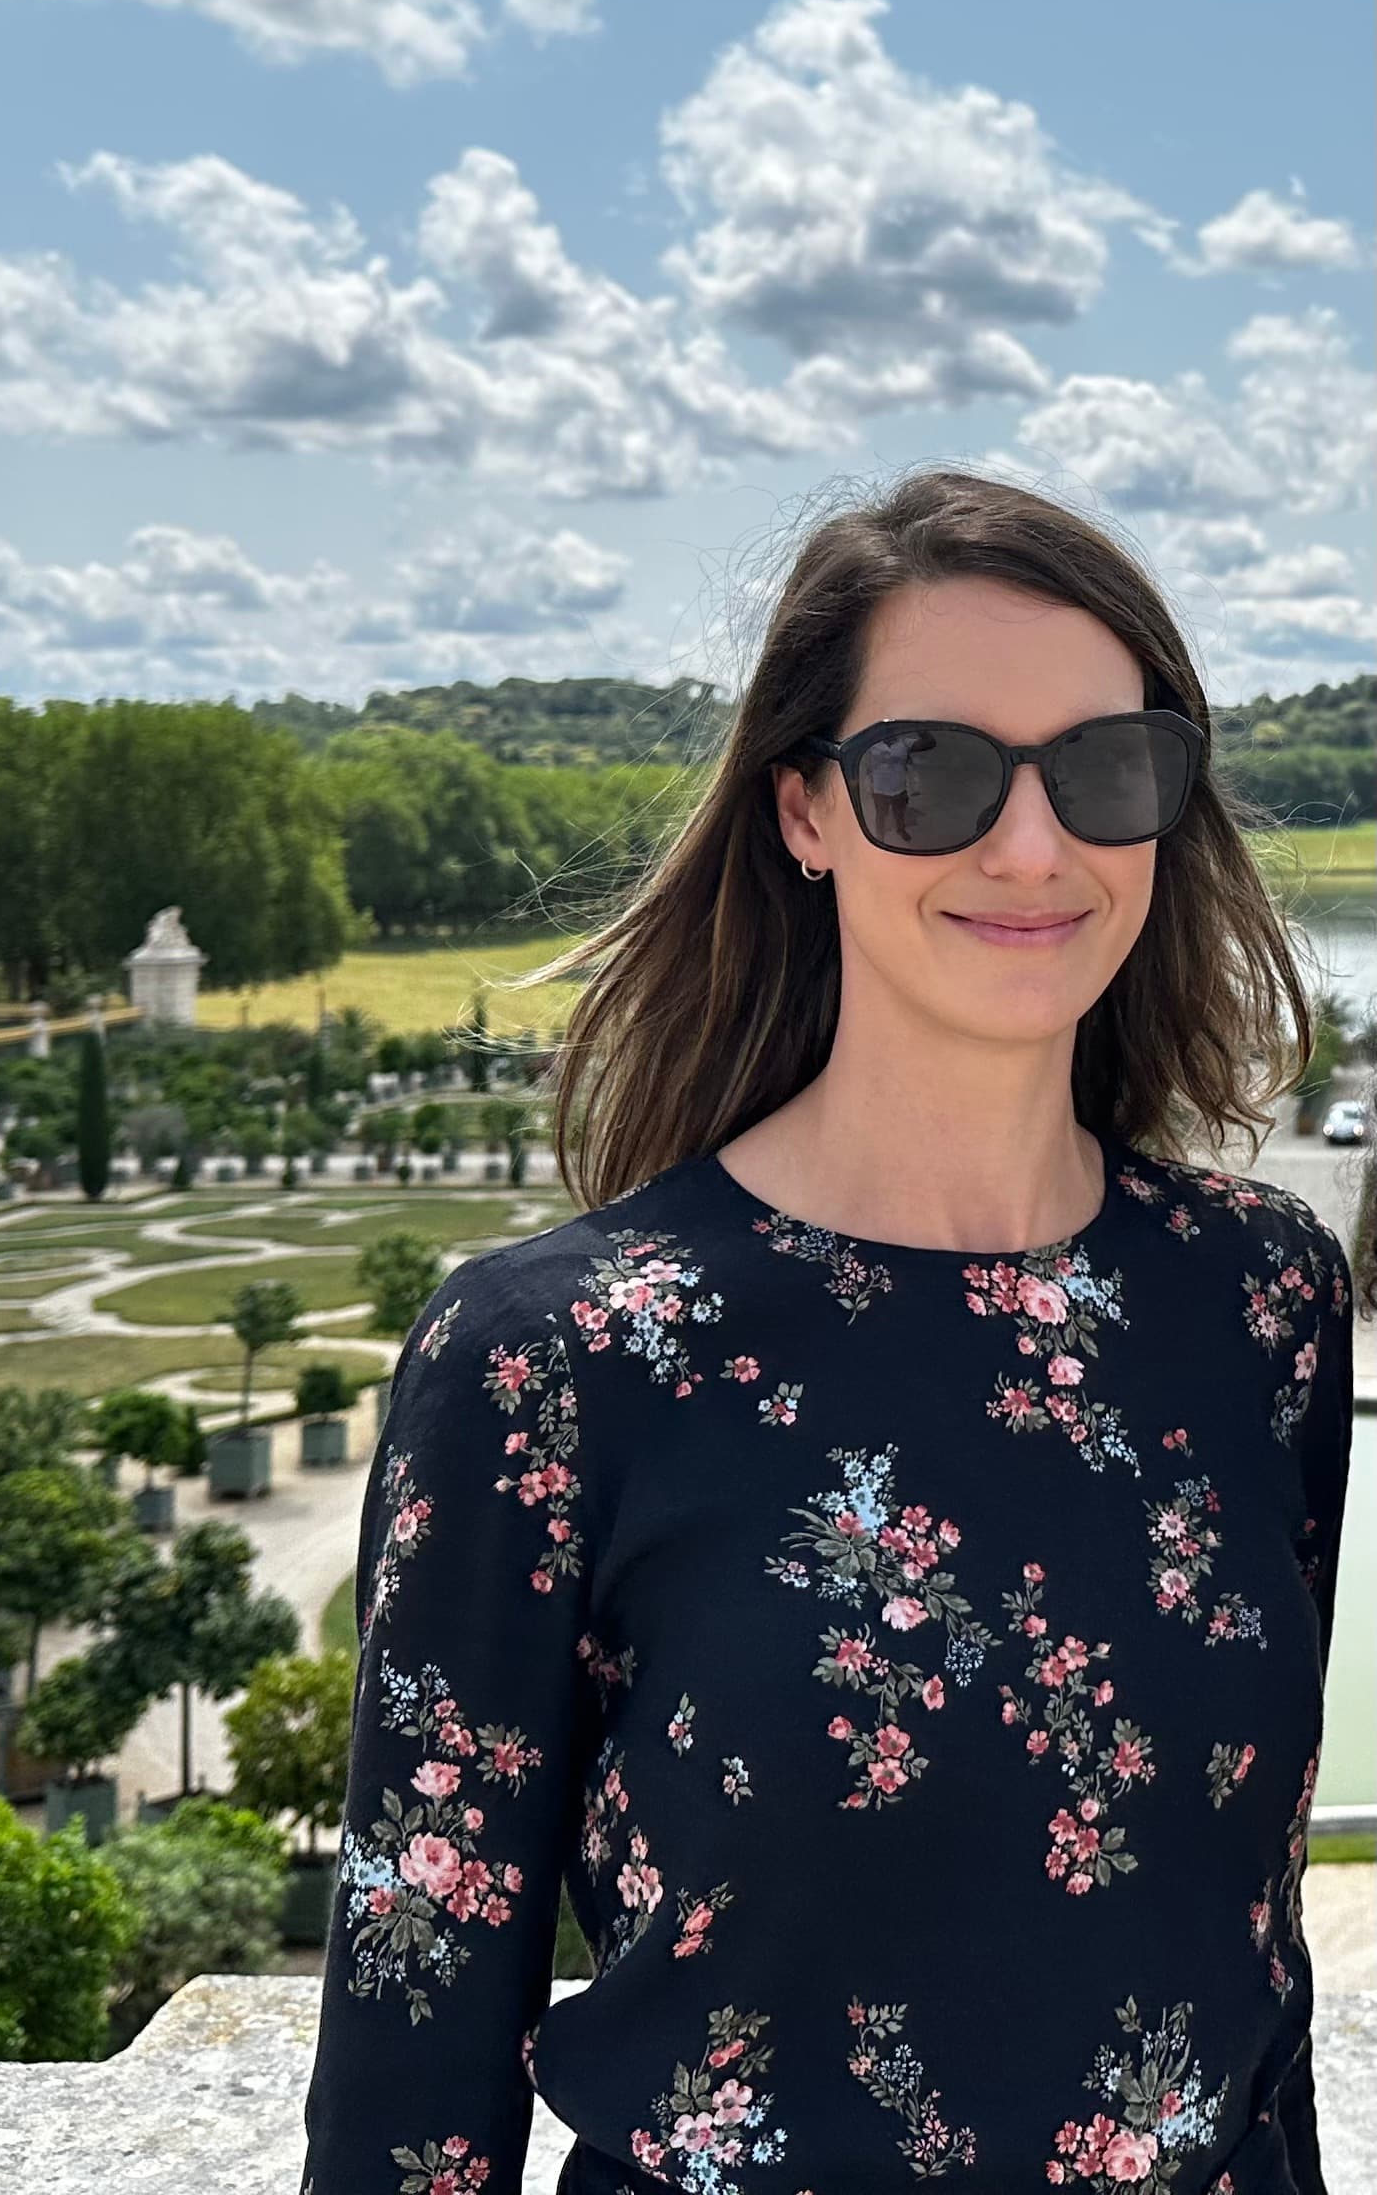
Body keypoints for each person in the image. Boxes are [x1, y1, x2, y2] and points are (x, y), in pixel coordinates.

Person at [299, 468, 1353, 2195]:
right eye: (929, 773)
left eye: (1106, 767)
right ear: (805, 809)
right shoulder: (555, 1362)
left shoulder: (1258, 1302)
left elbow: (1246, 1951)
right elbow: (418, 2040)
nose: (1034, 846)